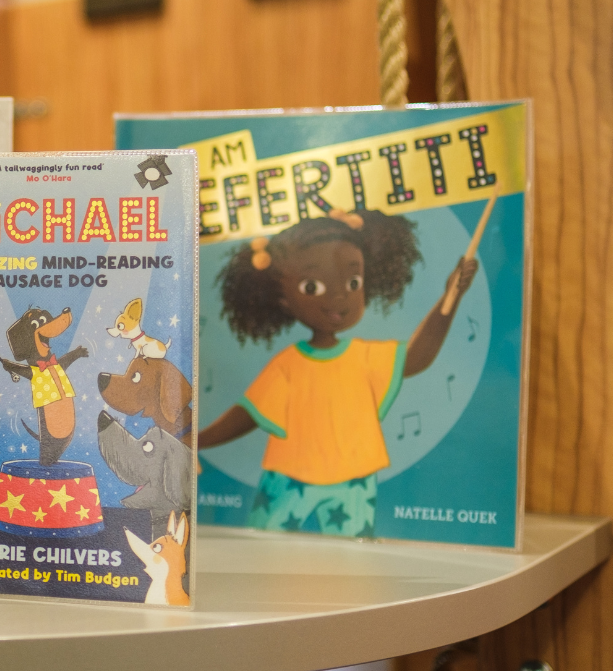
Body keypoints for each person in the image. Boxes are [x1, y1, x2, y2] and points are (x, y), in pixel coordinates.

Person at [196, 208, 476, 536]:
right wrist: (196, 440)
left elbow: (417, 358)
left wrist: (451, 298)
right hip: (289, 478)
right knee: (264, 547)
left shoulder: (365, 356)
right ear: (281, 298)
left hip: (352, 481)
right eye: (312, 286)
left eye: (353, 282)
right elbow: (248, 413)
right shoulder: (287, 365)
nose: (340, 296)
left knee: (353, 561)